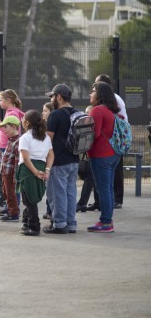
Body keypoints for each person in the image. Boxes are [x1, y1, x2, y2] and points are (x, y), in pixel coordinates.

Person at [86, 81, 121, 233]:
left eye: (93, 91)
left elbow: (95, 134)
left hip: (100, 155)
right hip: (113, 154)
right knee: (108, 189)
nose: (90, 94)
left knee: (103, 190)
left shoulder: (97, 111)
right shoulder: (111, 111)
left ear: (100, 94)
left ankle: (106, 222)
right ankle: (108, 220)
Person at [44, 84, 79, 235]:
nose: (51, 99)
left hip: (58, 161)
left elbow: (47, 139)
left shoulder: (55, 115)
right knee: (70, 193)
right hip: (74, 159)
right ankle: (71, 224)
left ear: (58, 97)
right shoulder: (77, 113)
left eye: (52, 96)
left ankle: (59, 224)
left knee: (57, 194)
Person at [16, 110, 54, 236]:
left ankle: (34, 226)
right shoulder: (45, 137)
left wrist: (35, 172)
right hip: (41, 167)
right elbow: (50, 155)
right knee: (32, 198)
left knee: (29, 200)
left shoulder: (25, 138)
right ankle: (26, 222)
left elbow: (26, 158)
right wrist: (46, 170)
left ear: (26, 122)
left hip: (28, 170)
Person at [95, 74, 127, 209]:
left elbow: (120, 118)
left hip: (114, 139)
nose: (94, 87)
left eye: (96, 85)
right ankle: (110, 203)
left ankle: (117, 200)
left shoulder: (113, 101)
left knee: (114, 175)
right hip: (114, 139)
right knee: (110, 178)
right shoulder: (109, 102)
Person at [0, 89, 25, 217]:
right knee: (6, 181)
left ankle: (13, 207)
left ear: (8, 100)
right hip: (5, 146)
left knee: (10, 180)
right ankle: (10, 206)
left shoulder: (13, 113)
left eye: (1, 100)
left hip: (8, 146)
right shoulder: (10, 112)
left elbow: (13, 129)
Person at [0, 115, 22, 222]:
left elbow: (17, 160)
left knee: (11, 193)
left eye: (5, 127)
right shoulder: (11, 140)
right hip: (5, 171)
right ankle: (11, 210)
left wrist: (16, 175)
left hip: (11, 172)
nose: (4, 130)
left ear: (13, 126)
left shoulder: (18, 141)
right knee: (6, 192)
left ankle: (14, 213)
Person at [77, 105, 100, 213]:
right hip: (94, 155)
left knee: (89, 178)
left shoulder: (94, 125)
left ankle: (82, 203)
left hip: (96, 155)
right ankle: (98, 203)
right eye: (86, 113)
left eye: (89, 113)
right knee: (94, 179)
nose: (87, 115)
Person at [41, 101, 54, 220]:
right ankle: (49, 209)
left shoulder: (50, 127)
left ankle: (50, 211)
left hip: (51, 161)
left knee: (51, 187)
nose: (43, 113)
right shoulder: (44, 125)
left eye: (45, 110)